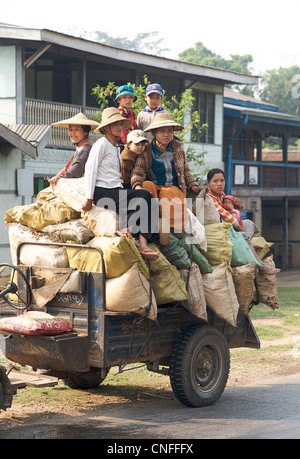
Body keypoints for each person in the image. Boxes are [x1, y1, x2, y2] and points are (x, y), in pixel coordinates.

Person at [82, 107, 160, 260]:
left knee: (145, 201)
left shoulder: (115, 147)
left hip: (114, 190)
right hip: (102, 191)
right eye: (115, 124)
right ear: (106, 127)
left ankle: (131, 234)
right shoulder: (101, 144)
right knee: (144, 196)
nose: (119, 128)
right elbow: (90, 170)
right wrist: (89, 198)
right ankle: (140, 242)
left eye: (120, 124)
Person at [195, 168, 280, 275]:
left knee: (248, 223)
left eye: (222, 181)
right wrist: (241, 231)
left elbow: (233, 215)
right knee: (239, 233)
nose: (219, 184)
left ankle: (247, 241)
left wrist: (238, 209)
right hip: (219, 230)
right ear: (208, 183)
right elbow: (228, 218)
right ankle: (260, 265)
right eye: (215, 181)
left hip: (230, 226)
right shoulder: (208, 198)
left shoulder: (223, 196)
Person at [131, 112, 202, 231]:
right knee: (146, 185)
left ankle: (171, 230)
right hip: (155, 186)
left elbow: (186, 169)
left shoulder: (178, 147)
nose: (166, 134)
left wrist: (193, 186)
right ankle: (150, 220)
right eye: (162, 131)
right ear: (154, 132)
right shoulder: (147, 149)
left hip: (173, 187)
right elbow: (138, 170)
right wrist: (137, 185)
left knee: (167, 194)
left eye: (170, 131)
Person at [49, 112, 100, 186]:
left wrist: (59, 178)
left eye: (76, 129)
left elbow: (76, 170)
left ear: (85, 132)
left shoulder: (85, 149)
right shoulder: (82, 148)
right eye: (70, 129)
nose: (72, 133)